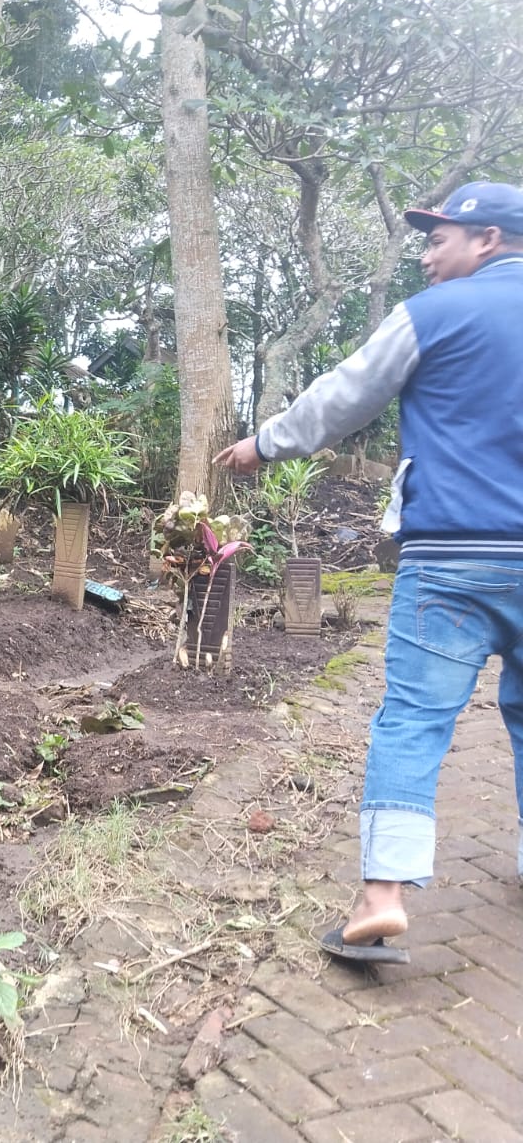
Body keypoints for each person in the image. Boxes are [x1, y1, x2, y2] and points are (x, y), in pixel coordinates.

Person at [215, 181, 523, 964]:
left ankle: (382, 895)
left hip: (453, 556)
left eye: (438, 239)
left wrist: (265, 444)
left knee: (415, 719)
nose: (426, 255)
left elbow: (344, 397)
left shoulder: (435, 315)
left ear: (487, 240)